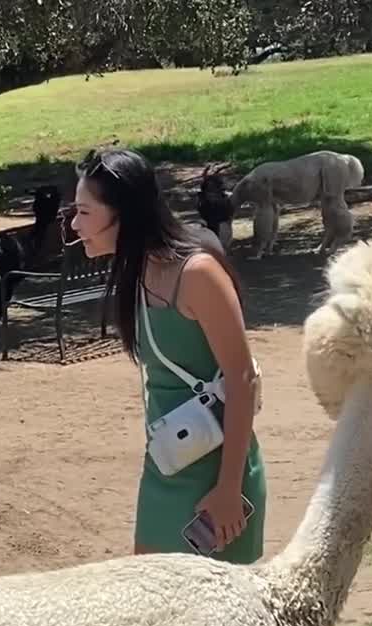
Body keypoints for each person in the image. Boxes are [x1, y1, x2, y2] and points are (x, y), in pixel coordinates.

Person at [69, 147, 265, 563]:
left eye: (84, 213)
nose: (74, 224)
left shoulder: (197, 274)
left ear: (123, 213)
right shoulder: (136, 271)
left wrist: (229, 488)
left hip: (217, 480)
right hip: (165, 466)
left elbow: (242, 378)